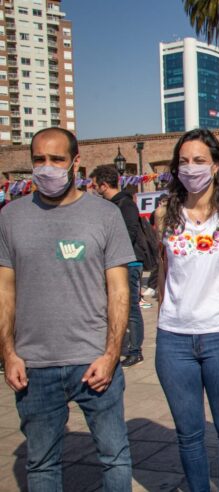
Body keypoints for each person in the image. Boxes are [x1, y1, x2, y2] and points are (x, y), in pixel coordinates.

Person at [0, 127, 134, 490]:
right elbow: (5, 289)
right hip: (33, 367)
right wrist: (8, 353)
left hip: (92, 361)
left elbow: (119, 290)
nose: (47, 168)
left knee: (115, 456)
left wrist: (111, 354)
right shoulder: (11, 216)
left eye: (57, 159)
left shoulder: (105, 215)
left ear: (76, 162)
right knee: (42, 464)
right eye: (39, 160)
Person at [154, 128, 219, 492]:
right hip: (174, 342)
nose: (190, 168)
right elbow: (164, 272)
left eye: (199, 160)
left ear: (216, 166)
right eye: (183, 161)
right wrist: (161, 317)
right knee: (188, 434)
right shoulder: (165, 213)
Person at [89, 164, 149, 368]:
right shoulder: (111, 205)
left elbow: (130, 233)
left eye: (95, 185)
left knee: (131, 307)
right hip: (114, 264)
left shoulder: (125, 204)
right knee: (115, 306)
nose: (94, 189)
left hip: (129, 263)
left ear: (104, 185)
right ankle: (120, 346)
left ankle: (135, 350)